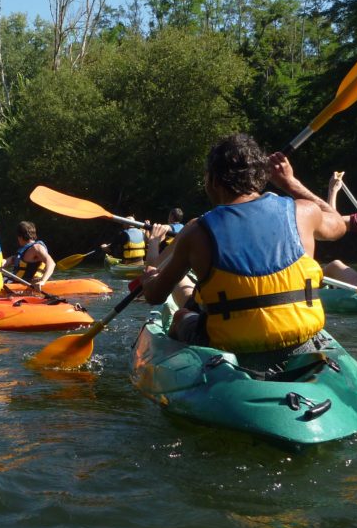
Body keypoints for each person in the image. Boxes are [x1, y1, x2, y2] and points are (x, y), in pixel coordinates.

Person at [142, 133, 346, 370]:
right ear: (261, 177)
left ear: (214, 181)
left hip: (229, 347)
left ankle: (188, 371)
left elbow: (155, 296)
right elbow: (338, 224)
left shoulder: (197, 231)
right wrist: (290, 183)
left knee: (180, 317)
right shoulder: (304, 212)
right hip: (299, 340)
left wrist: (148, 279)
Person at [3, 221, 55, 289]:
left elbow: (51, 263)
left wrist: (42, 281)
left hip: (32, 284)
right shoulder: (22, 251)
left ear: (20, 237)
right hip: (17, 283)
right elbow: (7, 261)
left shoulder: (36, 247)